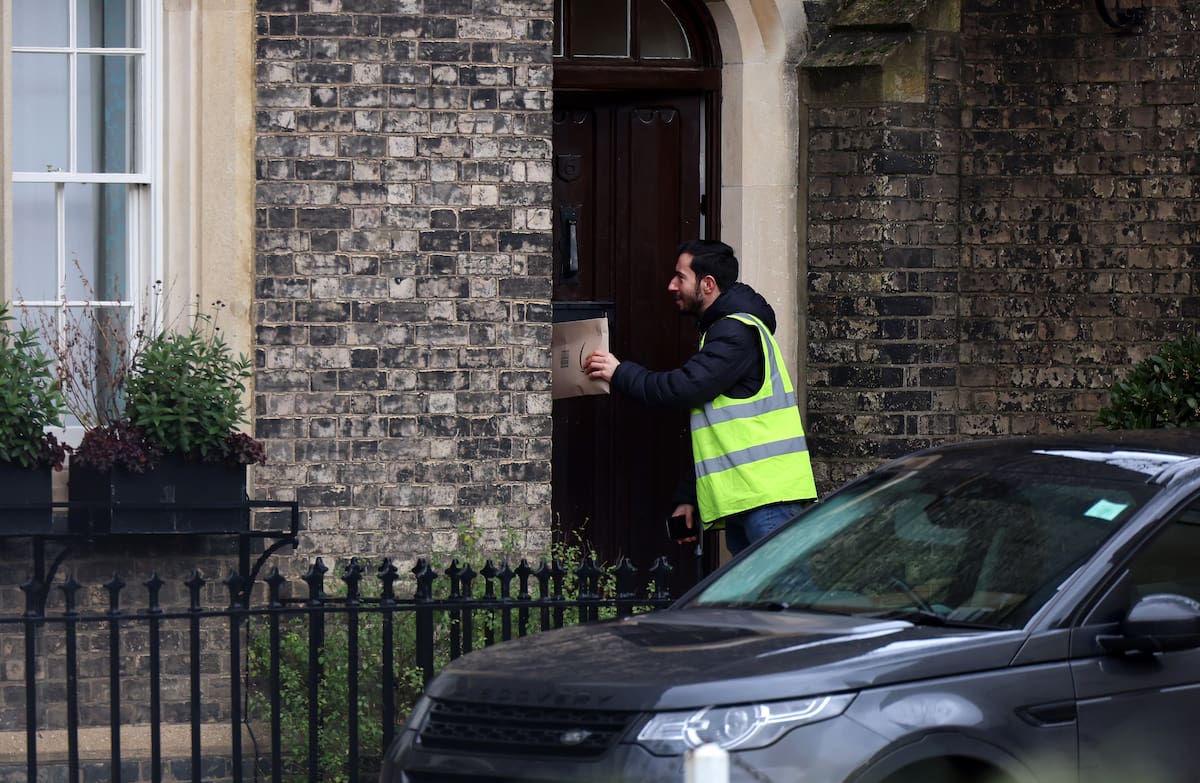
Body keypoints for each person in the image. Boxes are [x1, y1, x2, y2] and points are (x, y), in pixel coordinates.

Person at [585, 239, 817, 556]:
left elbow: (683, 388)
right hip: (752, 497)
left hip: (766, 501)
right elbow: (715, 430)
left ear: (707, 284)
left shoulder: (735, 332)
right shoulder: (724, 330)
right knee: (765, 588)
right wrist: (689, 495)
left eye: (680, 277)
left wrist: (619, 372)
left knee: (787, 585)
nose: (671, 285)